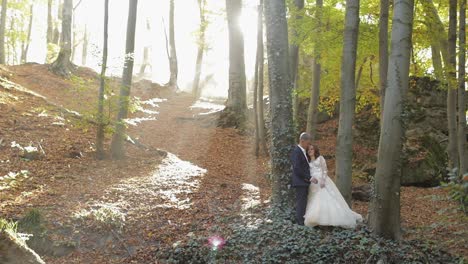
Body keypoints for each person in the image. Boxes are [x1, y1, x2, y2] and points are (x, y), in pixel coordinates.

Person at [304, 145, 363, 228]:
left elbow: (325, 170)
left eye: (311, 149)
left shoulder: (320, 158)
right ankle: (316, 219)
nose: (310, 151)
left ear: (315, 150)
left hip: (322, 181)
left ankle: (328, 219)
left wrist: (323, 180)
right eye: (308, 150)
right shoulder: (308, 160)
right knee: (314, 199)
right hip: (313, 184)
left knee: (325, 198)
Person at [291, 132, 318, 225]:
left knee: (303, 202)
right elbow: (297, 169)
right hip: (300, 182)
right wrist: (309, 178)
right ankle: (300, 223)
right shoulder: (296, 151)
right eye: (307, 143)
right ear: (302, 141)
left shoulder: (303, 152)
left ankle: (302, 220)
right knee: (301, 203)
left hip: (303, 181)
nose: (308, 145)